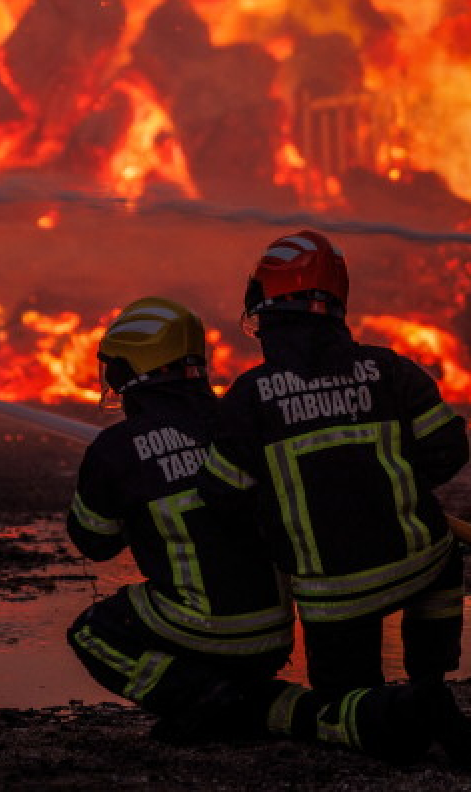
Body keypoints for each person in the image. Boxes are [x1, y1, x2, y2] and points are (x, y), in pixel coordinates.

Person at [67, 295, 440, 762]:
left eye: (115, 371)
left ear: (130, 373)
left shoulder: (116, 448)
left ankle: (191, 694)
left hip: (197, 632)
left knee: (91, 632)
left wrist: (117, 482)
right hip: (271, 637)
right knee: (258, 704)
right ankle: (355, 713)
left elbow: (93, 542)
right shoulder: (241, 417)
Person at [197, 233, 471, 768]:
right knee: (444, 556)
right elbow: (449, 452)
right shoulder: (391, 372)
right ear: (336, 308)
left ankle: (403, 706)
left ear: (265, 313)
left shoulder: (248, 398)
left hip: (332, 593)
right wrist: (390, 482)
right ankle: (431, 679)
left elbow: (221, 496)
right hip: (417, 563)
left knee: (347, 706)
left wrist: (278, 512)